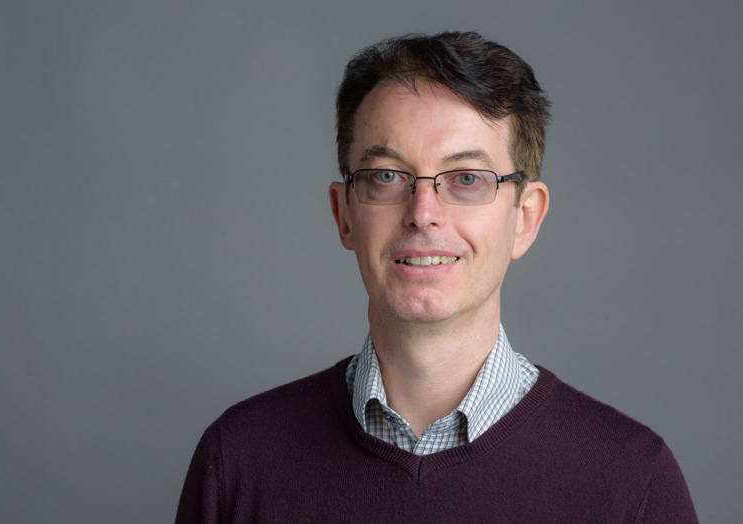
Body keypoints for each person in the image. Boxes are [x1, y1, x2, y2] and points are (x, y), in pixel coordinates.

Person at [176, 31, 698, 523]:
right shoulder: (238, 462)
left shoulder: (632, 482)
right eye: (387, 177)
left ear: (525, 218)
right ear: (344, 214)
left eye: (467, 179)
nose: (423, 212)